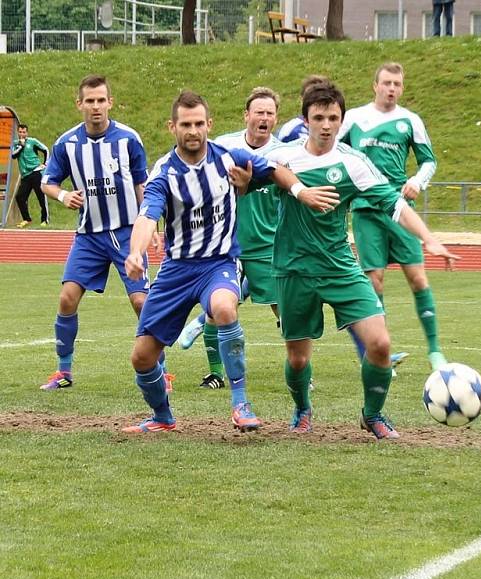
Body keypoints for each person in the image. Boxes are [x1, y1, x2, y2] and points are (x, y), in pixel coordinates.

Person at [121, 90, 338, 434]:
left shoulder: (228, 156)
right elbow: (148, 214)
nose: (192, 131)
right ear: (172, 127)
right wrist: (135, 252)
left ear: (209, 124)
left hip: (218, 264)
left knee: (224, 308)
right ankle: (163, 418)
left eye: (198, 124)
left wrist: (302, 192)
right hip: (176, 269)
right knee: (142, 357)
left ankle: (240, 403)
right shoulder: (163, 170)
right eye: (185, 124)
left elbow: (276, 171)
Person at [268, 81, 459, 439]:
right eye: (319, 117)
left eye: (333, 118)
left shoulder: (353, 163)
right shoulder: (283, 155)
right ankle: (302, 409)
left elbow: (396, 204)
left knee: (380, 343)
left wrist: (430, 239)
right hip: (293, 269)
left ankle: (372, 414)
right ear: (306, 119)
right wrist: (297, 190)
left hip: (339, 266)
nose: (326, 125)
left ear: (341, 121)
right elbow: (260, 172)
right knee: (298, 359)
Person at [39, 75, 151, 391]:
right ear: (80, 105)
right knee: (67, 298)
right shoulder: (66, 144)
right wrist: (63, 196)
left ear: (110, 103)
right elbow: (48, 182)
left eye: (101, 100)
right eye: (90, 101)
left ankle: (159, 370)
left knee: (142, 302)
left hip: (127, 233)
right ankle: (64, 372)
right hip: (88, 235)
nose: (96, 107)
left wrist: (149, 223)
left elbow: (143, 185)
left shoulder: (129, 139)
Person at [339, 62, 447, 371]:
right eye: (386, 82)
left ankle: (435, 350)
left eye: (397, 84)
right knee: (374, 281)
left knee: (418, 278)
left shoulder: (410, 121)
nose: (391, 89)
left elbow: (429, 161)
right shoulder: (354, 118)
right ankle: (381, 352)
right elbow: (335, 149)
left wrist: (416, 181)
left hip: (399, 209)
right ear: (375, 85)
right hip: (365, 211)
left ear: (402, 87)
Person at [177, 86, 286, 389]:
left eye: (270, 113)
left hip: (268, 244)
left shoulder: (284, 153)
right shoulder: (224, 147)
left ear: (276, 118)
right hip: (226, 244)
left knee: (286, 310)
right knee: (217, 309)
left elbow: (290, 190)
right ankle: (215, 373)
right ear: (246, 115)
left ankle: (300, 368)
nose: (264, 117)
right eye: (259, 112)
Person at [11, 123, 49, 227]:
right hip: (25, 175)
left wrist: (45, 164)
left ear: (27, 133)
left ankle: (44, 220)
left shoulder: (32, 142)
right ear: (18, 132)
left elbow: (45, 149)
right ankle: (26, 219)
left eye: (24, 132)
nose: (22, 134)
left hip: (36, 172)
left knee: (41, 196)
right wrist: (21, 146)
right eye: (20, 132)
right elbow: (14, 156)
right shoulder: (16, 144)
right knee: (20, 197)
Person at [276, 74, 329, 143]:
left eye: (321, 98)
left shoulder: (337, 126)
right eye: (310, 98)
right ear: (302, 100)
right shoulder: (293, 131)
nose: (315, 102)